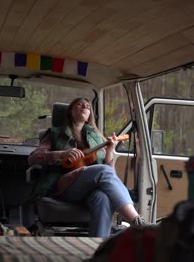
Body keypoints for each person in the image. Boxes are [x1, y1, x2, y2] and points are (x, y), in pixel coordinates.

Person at [28, 97, 149, 237]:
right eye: (80, 104)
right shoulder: (54, 133)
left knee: (102, 197)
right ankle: (137, 221)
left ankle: (97, 248)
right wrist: (62, 154)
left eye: (88, 105)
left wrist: (109, 152)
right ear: (70, 111)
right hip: (63, 185)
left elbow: (110, 173)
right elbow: (34, 157)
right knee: (103, 171)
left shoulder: (96, 137)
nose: (85, 106)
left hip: (88, 188)